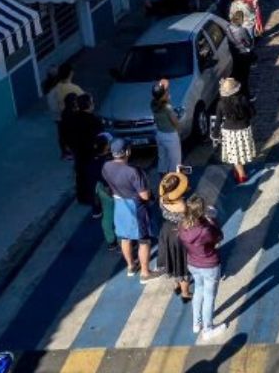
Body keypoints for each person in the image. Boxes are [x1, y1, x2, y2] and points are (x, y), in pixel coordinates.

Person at [102, 139, 156, 282]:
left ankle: (131, 266)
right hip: (135, 207)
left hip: (119, 205)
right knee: (144, 240)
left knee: (125, 238)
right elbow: (144, 195)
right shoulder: (133, 171)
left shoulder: (106, 166)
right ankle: (145, 273)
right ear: (127, 152)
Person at [180, 194, 224, 339]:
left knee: (198, 290)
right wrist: (212, 221)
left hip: (193, 263)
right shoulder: (205, 230)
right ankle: (208, 329)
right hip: (209, 264)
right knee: (209, 296)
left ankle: (196, 323)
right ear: (201, 211)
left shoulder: (182, 225)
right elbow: (218, 237)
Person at [65, 94, 105, 216]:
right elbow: (100, 139)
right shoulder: (94, 121)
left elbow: (68, 136)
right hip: (91, 155)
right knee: (95, 182)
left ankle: (84, 198)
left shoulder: (72, 119)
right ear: (89, 105)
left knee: (81, 176)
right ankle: (97, 206)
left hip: (79, 154)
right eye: (92, 102)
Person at [158, 171, 194, 304]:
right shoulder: (181, 206)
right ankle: (185, 293)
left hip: (167, 232)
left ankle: (176, 285)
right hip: (179, 234)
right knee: (182, 263)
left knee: (173, 259)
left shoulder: (162, 199)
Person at [217, 78, 256, 183]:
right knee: (241, 150)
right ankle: (241, 172)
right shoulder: (243, 99)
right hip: (243, 129)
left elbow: (218, 121)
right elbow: (252, 113)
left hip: (229, 132)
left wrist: (216, 134)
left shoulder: (221, 104)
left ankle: (241, 175)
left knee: (235, 153)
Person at [48, 63, 84, 160]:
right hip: (73, 118)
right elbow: (85, 102)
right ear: (71, 74)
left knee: (62, 135)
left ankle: (65, 153)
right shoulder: (75, 89)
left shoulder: (55, 90)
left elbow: (52, 105)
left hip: (60, 118)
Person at [150, 79, 182, 177]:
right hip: (170, 136)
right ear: (163, 95)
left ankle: (163, 180)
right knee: (175, 162)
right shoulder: (167, 107)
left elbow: (159, 96)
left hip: (160, 134)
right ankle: (174, 183)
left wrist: (162, 89)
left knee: (163, 159)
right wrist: (179, 129)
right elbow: (174, 121)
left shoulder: (152, 104)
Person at [226, 10, 256, 97]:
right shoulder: (241, 30)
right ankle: (246, 95)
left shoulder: (228, 28)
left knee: (237, 74)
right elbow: (249, 42)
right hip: (243, 55)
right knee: (244, 77)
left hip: (234, 54)